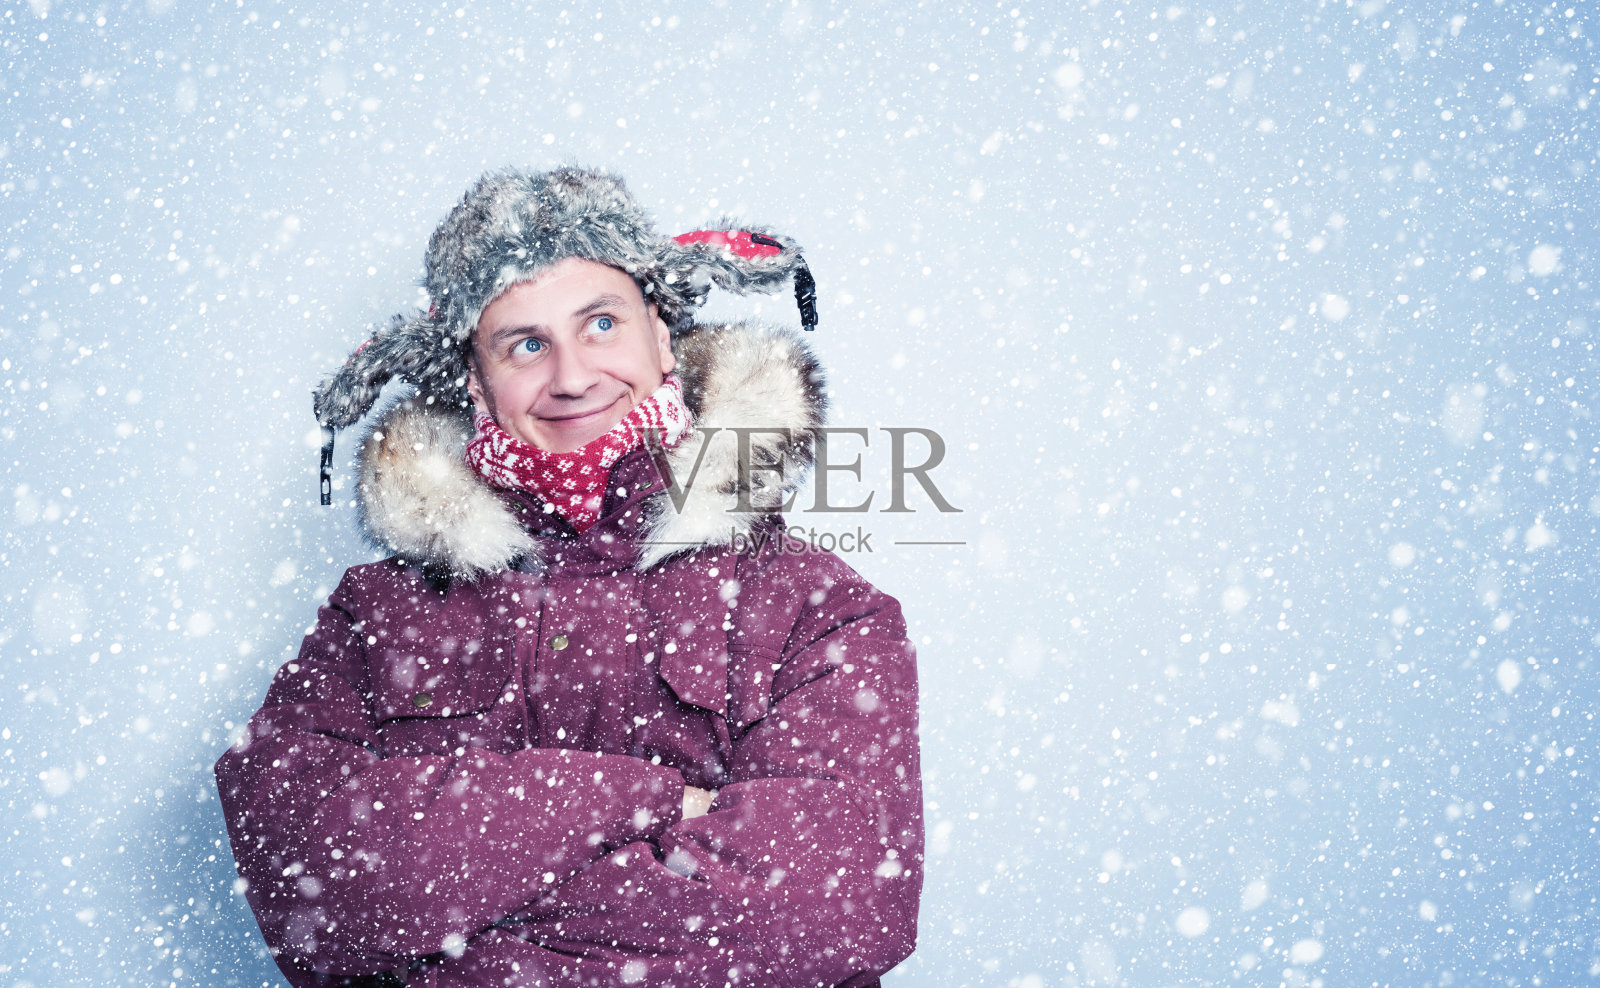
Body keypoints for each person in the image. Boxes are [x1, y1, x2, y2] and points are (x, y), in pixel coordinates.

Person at [214, 166, 923, 988]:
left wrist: (456, 944)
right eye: (525, 343)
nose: (573, 376)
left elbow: (831, 911)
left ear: (660, 336)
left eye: (600, 323)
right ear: (474, 380)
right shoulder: (375, 617)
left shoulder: (820, 608)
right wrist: (647, 803)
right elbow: (312, 883)